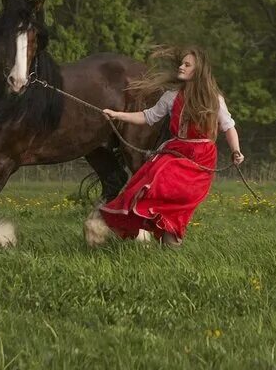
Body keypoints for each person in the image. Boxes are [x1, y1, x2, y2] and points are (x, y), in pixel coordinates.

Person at [85, 46, 244, 248]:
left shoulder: (214, 99)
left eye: (187, 65)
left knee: (176, 200)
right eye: (182, 63)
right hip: (176, 151)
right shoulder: (171, 96)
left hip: (201, 159)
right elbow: (148, 116)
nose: (181, 66)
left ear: (199, 71)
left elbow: (228, 127)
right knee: (153, 178)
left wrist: (236, 150)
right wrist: (118, 115)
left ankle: (169, 241)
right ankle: (163, 243)